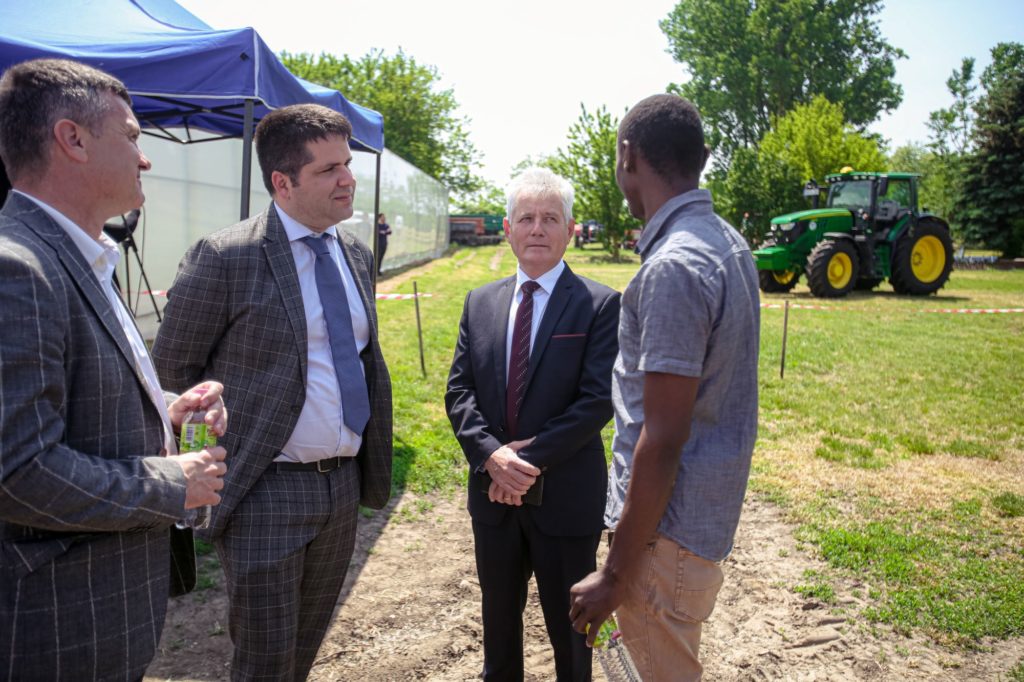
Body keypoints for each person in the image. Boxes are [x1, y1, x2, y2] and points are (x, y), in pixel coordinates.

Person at [0, 58, 228, 679]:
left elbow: (70, 413)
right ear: (71, 139)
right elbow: (17, 471)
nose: (145, 156)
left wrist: (165, 414)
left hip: (101, 614)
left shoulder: (77, 254)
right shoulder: (17, 267)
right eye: (130, 136)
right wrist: (170, 481)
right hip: (54, 631)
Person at [152, 103, 393, 681]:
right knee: (263, 661)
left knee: (305, 651)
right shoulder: (228, 256)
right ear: (282, 182)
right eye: (329, 169)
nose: (348, 178)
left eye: (349, 163)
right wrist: (192, 466)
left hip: (340, 486)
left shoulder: (355, 253)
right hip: (264, 486)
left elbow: (357, 359)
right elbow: (169, 374)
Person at [569, 94, 760, 681]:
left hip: (660, 542)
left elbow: (665, 434)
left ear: (627, 157)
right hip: (684, 533)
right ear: (701, 157)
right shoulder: (724, 242)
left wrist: (617, 572)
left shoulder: (676, 265)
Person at [446, 167, 620, 681]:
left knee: (574, 634)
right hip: (493, 499)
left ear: (571, 230)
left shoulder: (600, 305)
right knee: (498, 630)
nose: (538, 229)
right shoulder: (480, 302)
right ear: (508, 228)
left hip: (565, 499)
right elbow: (459, 392)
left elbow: (597, 401)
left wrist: (523, 460)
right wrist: (491, 457)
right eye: (527, 218)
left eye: (551, 218)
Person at [376, 211, 391, 275]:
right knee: (377, 257)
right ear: (379, 218)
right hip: (378, 244)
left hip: (384, 244)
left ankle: (378, 270)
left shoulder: (386, 225)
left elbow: (390, 232)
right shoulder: (377, 225)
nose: (384, 218)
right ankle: (375, 271)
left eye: (384, 217)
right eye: (383, 217)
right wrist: (385, 232)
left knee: (381, 257)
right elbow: (379, 232)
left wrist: (384, 232)